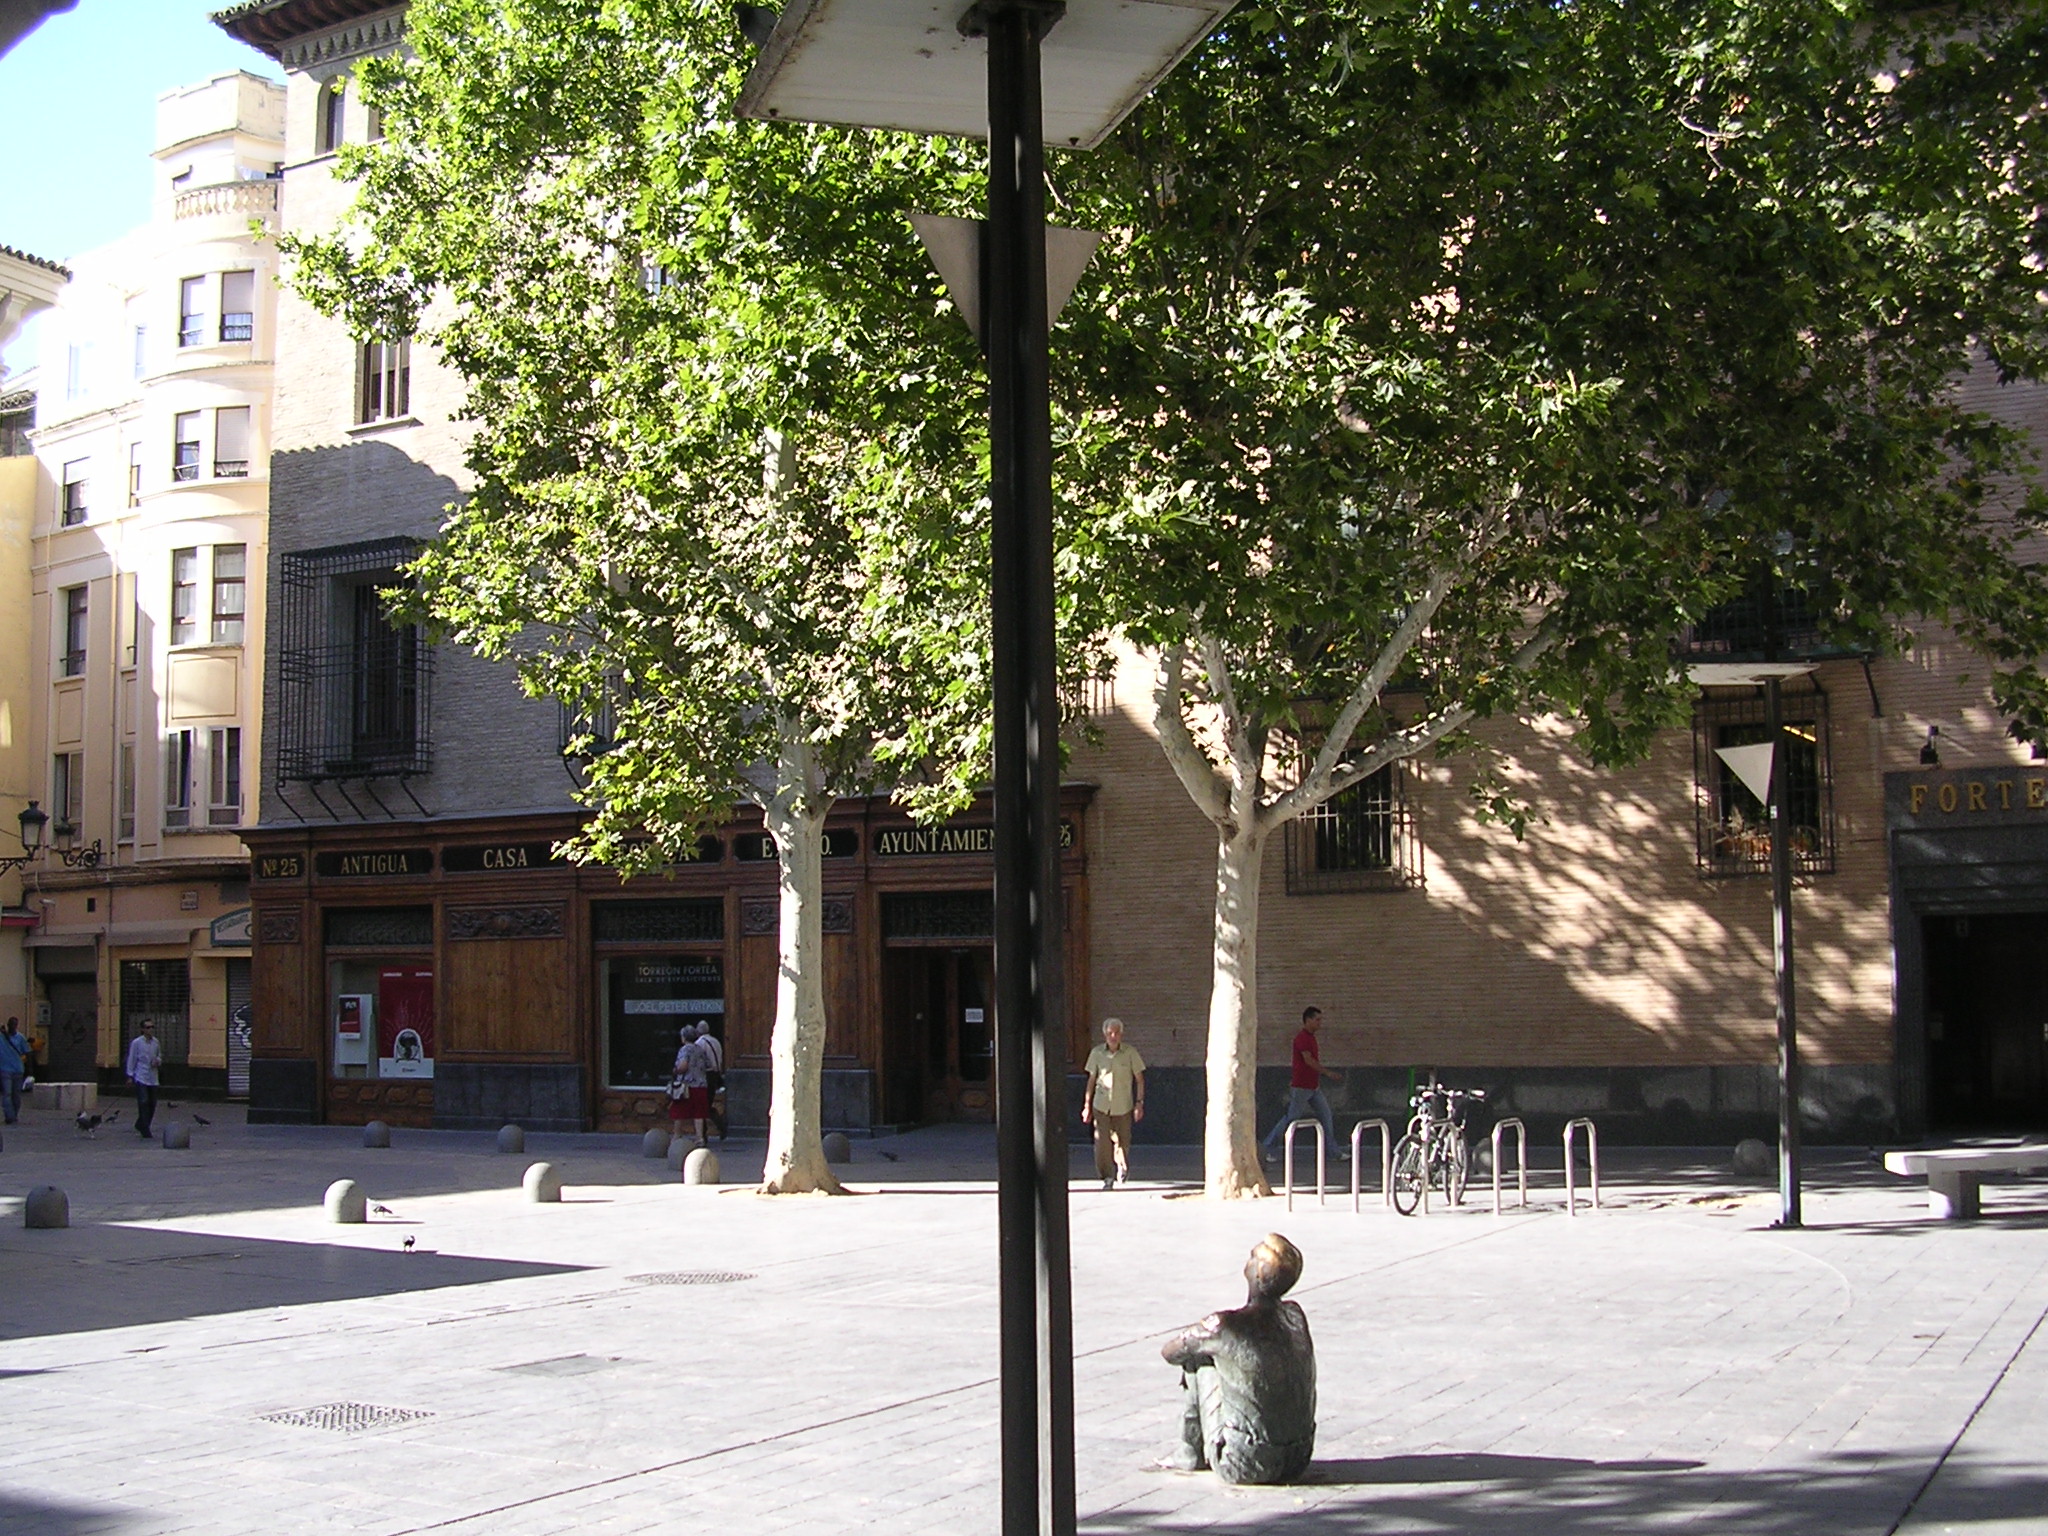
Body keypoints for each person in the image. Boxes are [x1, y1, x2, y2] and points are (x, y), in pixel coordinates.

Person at [1161, 1233, 1317, 1484]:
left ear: (1259, 1274)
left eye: (1253, 1256)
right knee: (1216, 1352)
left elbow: (1170, 1352)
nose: (1249, 1258)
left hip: (1244, 1462)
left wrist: (1206, 1340)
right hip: (1298, 1458)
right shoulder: (1295, 1316)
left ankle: (1188, 1452)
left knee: (1198, 1358)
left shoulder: (1225, 1326)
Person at [1262, 1006, 1341, 1162]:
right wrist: (1328, 1073)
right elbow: (1309, 1060)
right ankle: (1267, 1148)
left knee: (1326, 1116)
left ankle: (1333, 1152)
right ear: (1308, 1020)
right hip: (1301, 1087)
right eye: (1317, 1020)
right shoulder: (1302, 1038)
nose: (1320, 1023)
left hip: (1313, 1086)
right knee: (1291, 1118)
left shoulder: (1311, 1038)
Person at [1080, 1017, 1146, 1189]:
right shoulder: (1096, 1053)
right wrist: (1087, 1105)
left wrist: (1139, 1103)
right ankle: (1107, 1176)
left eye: (1116, 1033)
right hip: (1101, 1105)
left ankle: (1122, 1167)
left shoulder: (1130, 1053)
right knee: (1101, 1142)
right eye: (1110, 1033)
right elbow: (1091, 1080)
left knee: (1123, 1141)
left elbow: (1139, 1079)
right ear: (1105, 1034)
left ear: (1121, 1034)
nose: (1113, 1036)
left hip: (1123, 1105)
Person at [667, 1023, 709, 1147]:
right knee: (699, 1113)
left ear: (684, 1037)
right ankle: (699, 1137)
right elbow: (708, 1065)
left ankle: (676, 1135)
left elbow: (683, 1065)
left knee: (679, 1111)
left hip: (687, 1086)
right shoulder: (700, 1049)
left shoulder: (685, 1049)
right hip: (701, 1084)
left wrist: (675, 1070)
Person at [126, 1019, 163, 1138]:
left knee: (152, 1102)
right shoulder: (137, 1043)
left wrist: (157, 1061)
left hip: (152, 1076)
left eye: (152, 1027)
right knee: (143, 1101)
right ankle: (145, 1128)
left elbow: (159, 1055)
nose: (150, 1029)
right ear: (142, 1029)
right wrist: (130, 1075)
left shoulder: (156, 1042)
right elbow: (132, 1059)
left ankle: (141, 1123)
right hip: (141, 1075)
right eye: (148, 1027)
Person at [695, 1022, 727, 1141]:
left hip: (706, 1076)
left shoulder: (699, 1043)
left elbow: (699, 1062)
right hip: (715, 1075)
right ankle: (719, 1127)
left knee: (702, 1105)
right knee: (706, 1104)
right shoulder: (716, 1042)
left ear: (698, 1032)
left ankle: (704, 1134)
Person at [0, 1016, 28, 1125]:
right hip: (4, 1069)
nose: (12, 1027)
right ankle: (9, 1116)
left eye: (14, 1025)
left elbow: (26, 1052)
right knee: (7, 1093)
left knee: (16, 1095)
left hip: (18, 1069)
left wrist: (29, 1071)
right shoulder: (1, 1038)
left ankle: (14, 1114)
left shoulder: (20, 1038)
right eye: (10, 1024)